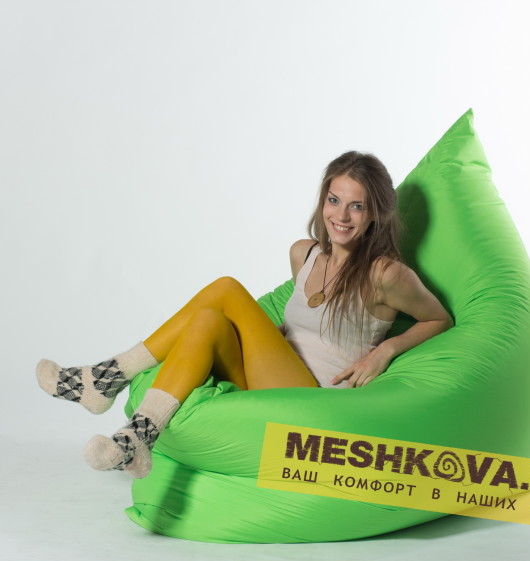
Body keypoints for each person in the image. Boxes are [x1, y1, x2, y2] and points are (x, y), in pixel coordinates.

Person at [36, 151, 453, 479]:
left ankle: (108, 377)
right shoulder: (304, 254)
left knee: (226, 289)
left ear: (376, 213)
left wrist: (386, 351)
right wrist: (264, 338)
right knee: (209, 321)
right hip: (271, 378)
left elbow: (440, 319)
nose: (341, 216)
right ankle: (137, 438)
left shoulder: (386, 274)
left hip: (313, 398)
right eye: (334, 200)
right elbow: (303, 329)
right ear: (323, 200)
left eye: (356, 206)